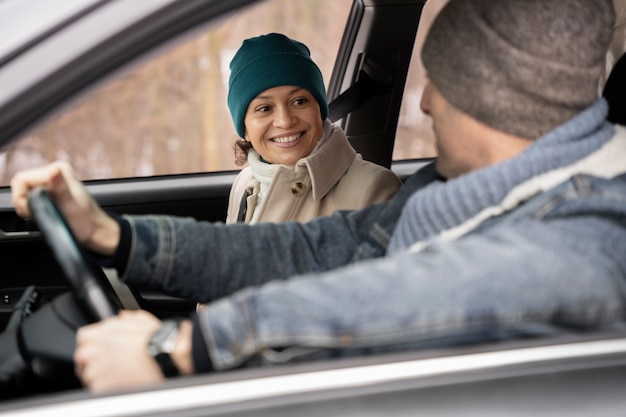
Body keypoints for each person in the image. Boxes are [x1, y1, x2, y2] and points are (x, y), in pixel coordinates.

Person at [10, 0, 626, 394]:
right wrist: (118, 237)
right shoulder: (451, 190)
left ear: (494, 100)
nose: (427, 104)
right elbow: (316, 249)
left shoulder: (590, 239)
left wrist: (179, 346)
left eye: (441, 85)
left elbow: (404, 294)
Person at [225, 33, 401, 224]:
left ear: (319, 110)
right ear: (245, 130)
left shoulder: (374, 189)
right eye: (264, 108)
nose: (285, 121)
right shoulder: (244, 184)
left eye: (299, 101)